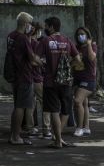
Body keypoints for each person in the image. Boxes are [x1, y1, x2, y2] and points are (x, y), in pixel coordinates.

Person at [37, 16, 82, 148]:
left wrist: (43, 65)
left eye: (46, 26)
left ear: (51, 26)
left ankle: (57, 141)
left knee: (54, 111)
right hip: (66, 81)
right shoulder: (67, 41)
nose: (45, 28)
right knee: (66, 111)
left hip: (50, 82)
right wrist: (68, 65)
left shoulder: (46, 41)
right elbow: (78, 59)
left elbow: (35, 58)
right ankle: (59, 138)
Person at [7, 12, 43, 145]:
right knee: (21, 107)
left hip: (15, 76)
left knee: (17, 106)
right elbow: (32, 57)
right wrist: (42, 62)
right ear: (26, 24)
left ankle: (13, 134)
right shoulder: (22, 38)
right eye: (30, 24)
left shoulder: (11, 36)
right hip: (25, 76)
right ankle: (16, 137)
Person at [72, 27, 97, 137]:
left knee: (77, 101)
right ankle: (86, 127)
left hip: (88, 79)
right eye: (78, 34)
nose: (80, 36)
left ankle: (79, 127)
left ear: (87, 35)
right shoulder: (76, 47)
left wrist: (89, 45)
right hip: (77, 77)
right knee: (84, 103)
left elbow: (92, 58)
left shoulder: (92, 46)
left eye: (82, 34)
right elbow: (72, 61)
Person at [29, 22, 52, 139]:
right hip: (37, 78)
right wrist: (42, 62)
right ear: (37, 31)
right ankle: (46, 129)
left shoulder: (26, 43)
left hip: (27, 78)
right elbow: (35, 61)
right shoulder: (37, 44)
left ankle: (31, 128)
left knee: (30, 105)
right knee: (45, 104)